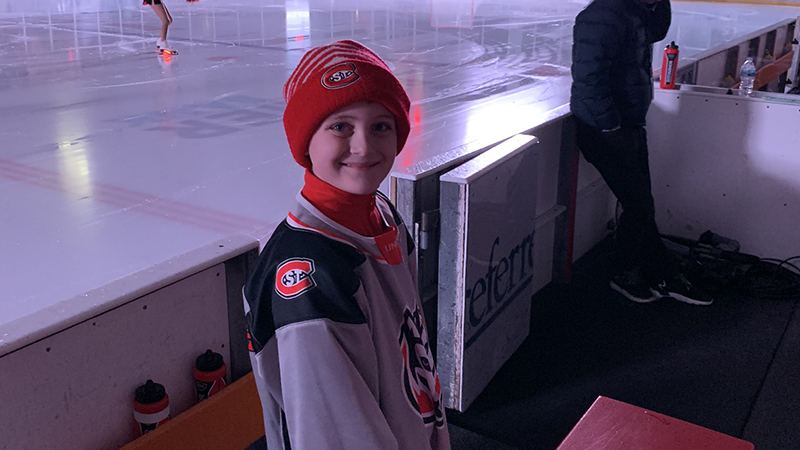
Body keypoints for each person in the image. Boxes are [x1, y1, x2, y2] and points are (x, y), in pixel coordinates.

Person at [243, 40, 451, 450]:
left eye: (380, 126)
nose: (364, 147)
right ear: (307, 142)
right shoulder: (311, 280)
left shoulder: (383, 215)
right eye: (340, 126)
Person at [570, 0, 712, 305]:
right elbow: (588, 81)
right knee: (640, 205)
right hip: (603, 130)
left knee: (642, 204)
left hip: (629, 125)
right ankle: (626, 272)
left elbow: (656, 32)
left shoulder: (634, 12)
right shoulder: (602, 16)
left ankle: (658, 270)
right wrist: (611, 129)